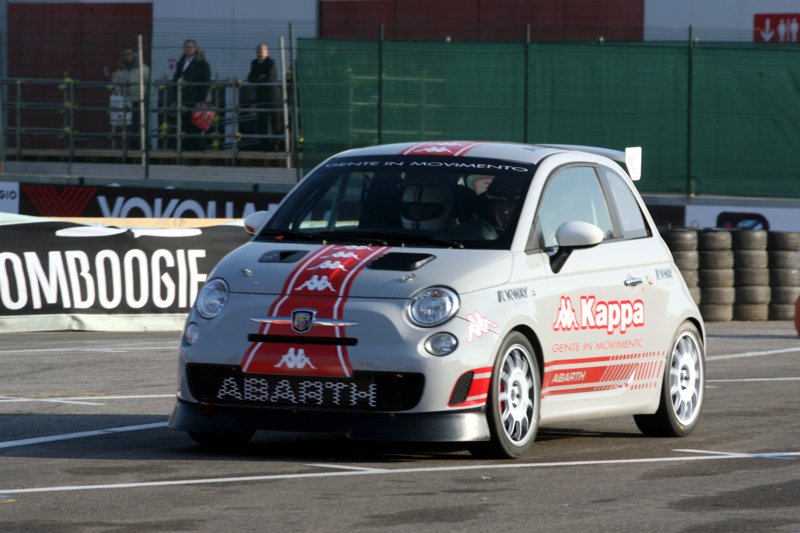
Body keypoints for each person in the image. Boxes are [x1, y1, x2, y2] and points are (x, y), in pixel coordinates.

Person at [172, 39, 211, 150]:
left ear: (195, 49)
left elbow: (205, 82)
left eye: (191, 47)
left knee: (196, 123)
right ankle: (185, 146)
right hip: (182, 97)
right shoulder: (181, 63)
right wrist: (174, 95)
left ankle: (197, 147)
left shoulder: (202, 64)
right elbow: (176, 78)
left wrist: (201, 100)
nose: (189, 49)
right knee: (184, 122)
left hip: (195, 96)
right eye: (186, 47)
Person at [244, 43, 282, 151]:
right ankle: (264, 145)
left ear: (266, 51)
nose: (259, 54)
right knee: (262, 121)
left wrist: (258, 77)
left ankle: (276, 144)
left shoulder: (271, 62)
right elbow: (250, 78)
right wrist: (260, 77)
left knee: (275, 122)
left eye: (261, 51)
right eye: (258, 51)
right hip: (260, 96)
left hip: (272, 97)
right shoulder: (254, 63)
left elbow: (270, 77)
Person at [111, 48, 150, 150]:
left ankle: (142, 147)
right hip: (125, 101)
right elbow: (115, 84)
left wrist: (145, 96)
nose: (128, 56)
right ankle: (131, 148)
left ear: (135, 55)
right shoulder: (120, 70)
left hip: (139, 100)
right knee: (128, 125)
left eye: (130, 54)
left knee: (139, 125)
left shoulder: (144, 69)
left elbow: (150, 84)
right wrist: (121, 86)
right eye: (126, 54)